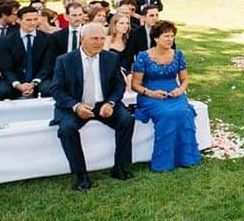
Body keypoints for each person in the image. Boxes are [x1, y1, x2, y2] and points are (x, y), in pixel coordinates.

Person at [50, 23, 135, 191]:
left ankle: (120, 166)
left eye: (102, 38)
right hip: (76, 105)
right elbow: (56, 89)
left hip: (103, 103)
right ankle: (81, 174)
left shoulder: (110, 58)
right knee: (67, 129)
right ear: (82, 39)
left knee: (126, 120)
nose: (99, 42)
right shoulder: (65, 60)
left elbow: (119, 86)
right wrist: (75, 106)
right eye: (94, 38)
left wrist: (110, 103)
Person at [131, 20, 200, 172]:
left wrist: (180, 90)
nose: (170, 39)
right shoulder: (143, 57)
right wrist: (152, 93)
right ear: (156, 38)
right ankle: (164, 162)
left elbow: (184, 79)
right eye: (166, 36)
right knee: (166, 113)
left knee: (184, 112)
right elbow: (135, 85)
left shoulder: (178, 55)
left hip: (174, 92)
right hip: (149, 94)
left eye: (172, 36)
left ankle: (186, 158)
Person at [0, 6, 55, 101]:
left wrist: (34, 83)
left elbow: (48, 65)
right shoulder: (7, 40)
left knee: (48, 90)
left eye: (35, 19)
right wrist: (17, 84)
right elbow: (6, 67)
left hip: (39, 80)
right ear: (19, 20)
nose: (33, 23)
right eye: (28, 20)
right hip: (15, 80)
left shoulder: (48, 39)